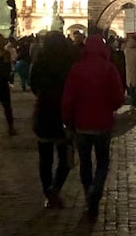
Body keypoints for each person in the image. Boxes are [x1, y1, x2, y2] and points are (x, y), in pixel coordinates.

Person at [62, 34, 125, 221]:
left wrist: (68, 121)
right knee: (103, 163)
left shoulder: (77, 69)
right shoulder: (109, 68)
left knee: (85, 162)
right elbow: (118, 97)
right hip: (103, 124)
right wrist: (110, 108)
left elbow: (68, 99)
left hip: (82, 124)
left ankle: (89, 192)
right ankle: (95, 193)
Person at [30, 31, 75, 208]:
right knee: (65, 157)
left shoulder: (40, 62)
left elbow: (33, 85)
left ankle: (48, 191)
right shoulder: (70, 63)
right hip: (64, 112)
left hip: (44, 111)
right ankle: (55, 189)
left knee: (45, 157)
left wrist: (44, 96)